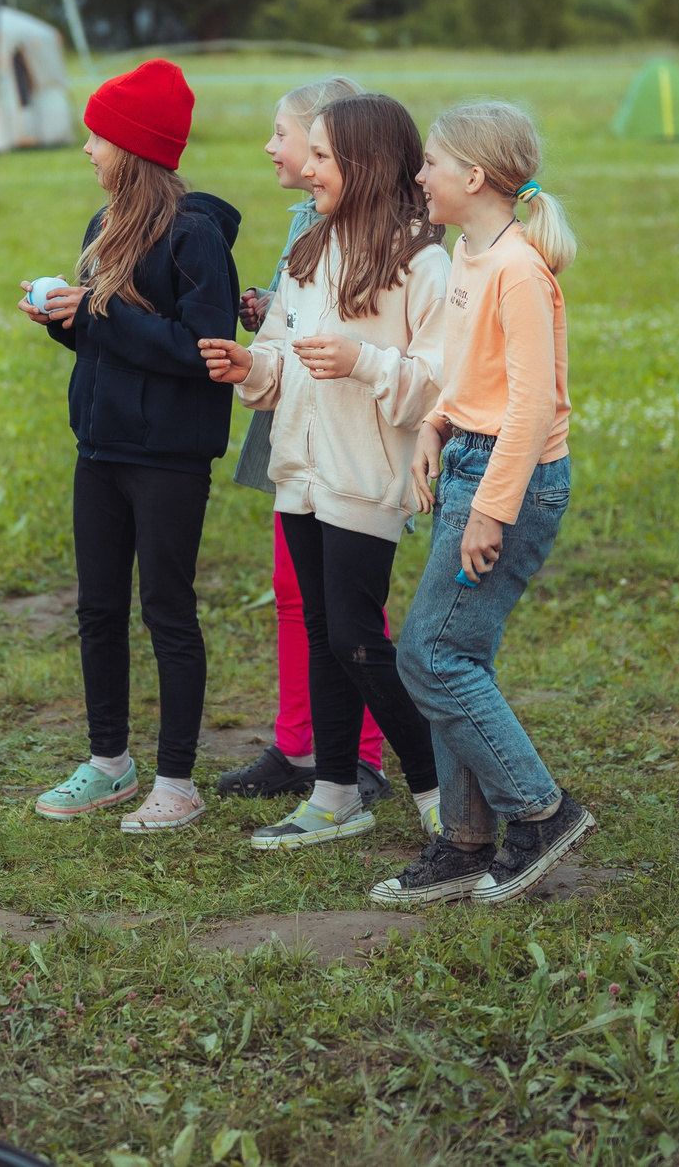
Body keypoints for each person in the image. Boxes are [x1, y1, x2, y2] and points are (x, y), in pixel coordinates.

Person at [200, 95, 448, 854]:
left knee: (356, 635)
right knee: (322, 632)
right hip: (299, 475)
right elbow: (280, 351)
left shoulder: (421, 260)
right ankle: (336, 792)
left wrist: (362, 361)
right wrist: (252, 366)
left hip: (366, 479)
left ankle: (438, 787)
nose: (306, 169)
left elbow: (442, 381)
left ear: (366, 166)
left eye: (323, 158)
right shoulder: (308, 251)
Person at [374, 99, 594, 908]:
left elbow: (534, 406)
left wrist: (491, 512)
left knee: (430, 655)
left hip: (514, 478)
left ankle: (540, 812)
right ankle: (465, 842)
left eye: (431, 162)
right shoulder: (470, 254)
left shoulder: (518, 270)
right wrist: (434, 424)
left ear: (474, 175)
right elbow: (469, 373)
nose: (419, 175)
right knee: (452, 654)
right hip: (469, 457)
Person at [22, 58, 239, 834]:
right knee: (98, 607)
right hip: (101, 446)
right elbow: (107, 342)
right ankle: (109, 762)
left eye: (98, 135)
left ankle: (177, 781)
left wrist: (100, 313)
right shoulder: (103, 225)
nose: (87, 148)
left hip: (169, 457)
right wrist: (66, 321)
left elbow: (204, 348)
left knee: (168, 611)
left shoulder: (196, 238)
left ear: (134, 146)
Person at [212, 74, 393, 807]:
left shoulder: (390, 236)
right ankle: (298, 744)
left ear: (334, 145)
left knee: (351, 603)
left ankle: (368, 754)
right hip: (288, 419)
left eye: (283, 133)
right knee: (294, 592)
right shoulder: (301, 220)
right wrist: (263, 319)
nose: (272, 146)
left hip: (347, 440)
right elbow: (296, 314)